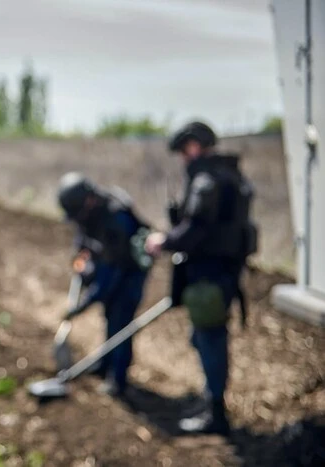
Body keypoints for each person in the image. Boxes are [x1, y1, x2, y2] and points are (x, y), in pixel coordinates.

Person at [145, 120, 258, 436]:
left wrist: (163, 241)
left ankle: (216, 416)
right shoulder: (228, 175)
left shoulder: (207, 180)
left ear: (194, 145)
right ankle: (211, 402)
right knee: (203, 338)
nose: (184, 158)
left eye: (184, 150)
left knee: (209, 340)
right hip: (223, 271)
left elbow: (196, 228)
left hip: (211, 275)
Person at [57, 172, 153, 398]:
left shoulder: (116, 217)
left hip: (129, 272)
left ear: (89, 201)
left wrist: (84, 303)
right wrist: (80, 260)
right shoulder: (88, 213)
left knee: (121, 323)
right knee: (109, 315)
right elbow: (83, 241)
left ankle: (118, 380)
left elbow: (110, 276)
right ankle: (105, 364)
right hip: (110, 264)